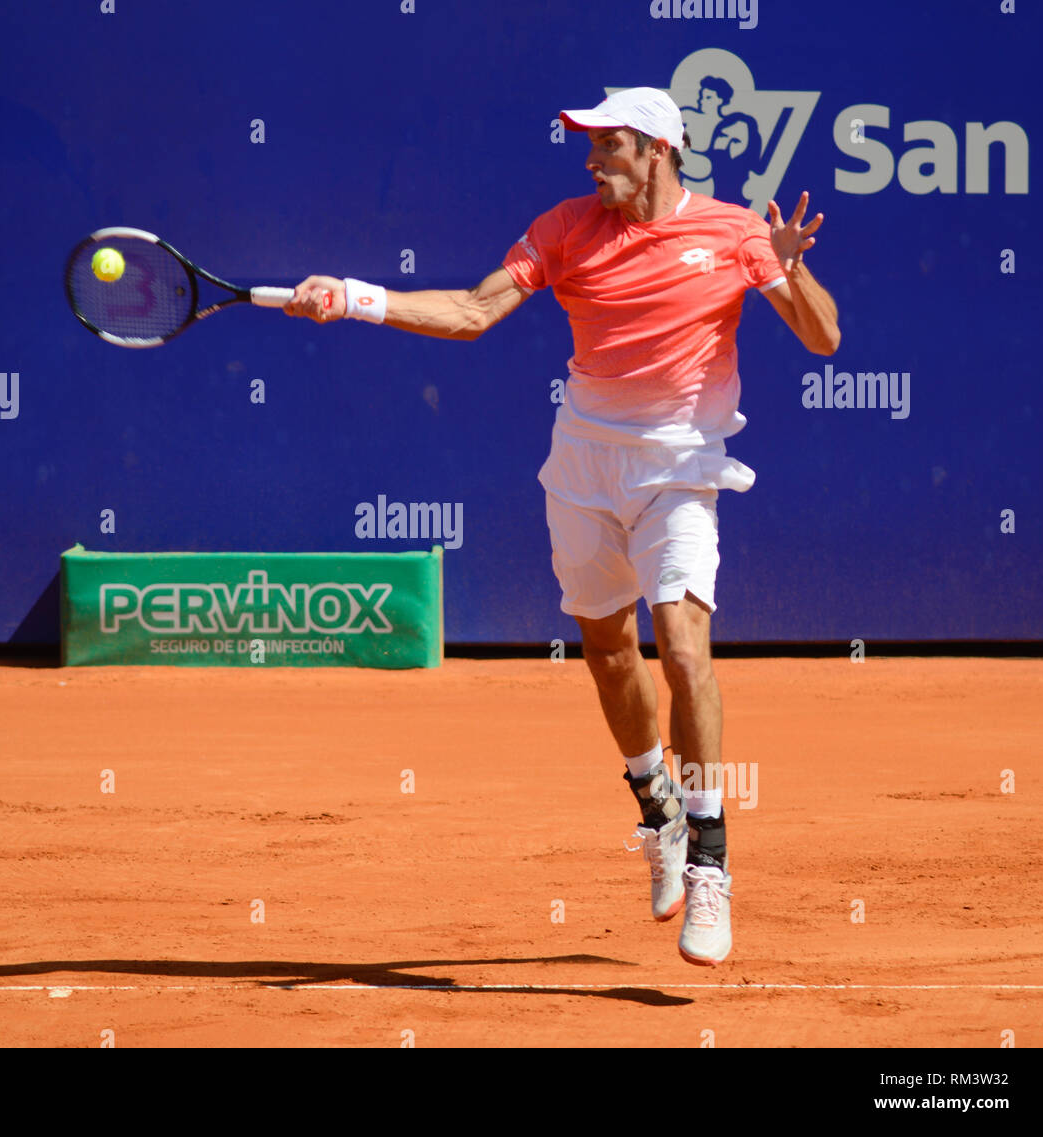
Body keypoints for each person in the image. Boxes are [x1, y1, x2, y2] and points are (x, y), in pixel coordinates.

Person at [283, 87, 840, 965]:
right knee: (611, 653)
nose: (592, 161)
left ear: (658, 149)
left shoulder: (735, 234)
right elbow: (473, 311)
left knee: (685, 649)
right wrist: (354, 296)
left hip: (680, 472)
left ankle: (710, 858)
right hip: (583, 467)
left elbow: (824, 339)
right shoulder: (564, 227)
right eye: (589, 146)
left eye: (609, 146)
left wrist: (790, 266)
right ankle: (654, 807)